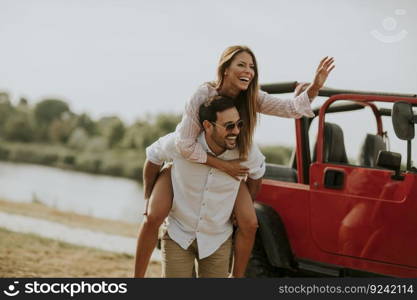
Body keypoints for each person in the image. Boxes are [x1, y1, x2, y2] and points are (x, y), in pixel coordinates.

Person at [134, 45, 335, 278]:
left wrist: (315, 87)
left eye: (252, 67)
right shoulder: (203, 95)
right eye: (241, 64)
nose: (248, 71)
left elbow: (291, 108)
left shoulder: (252, 97)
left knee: (249, 222)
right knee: (154, 215)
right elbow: (184, 145)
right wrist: (224, 166)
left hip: (231, 161)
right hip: (190, 158)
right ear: (225, 69)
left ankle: (236, 278)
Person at [144, 96, 265, 277]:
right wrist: (148, 196)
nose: (236, 131)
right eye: (229, 126)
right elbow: (153, 156)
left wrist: (239, 208)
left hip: (217, 239)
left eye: (239, 124)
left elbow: (257, 175)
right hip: (179, 234)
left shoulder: (248, 151)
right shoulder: (182, 144)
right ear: (208, 126)